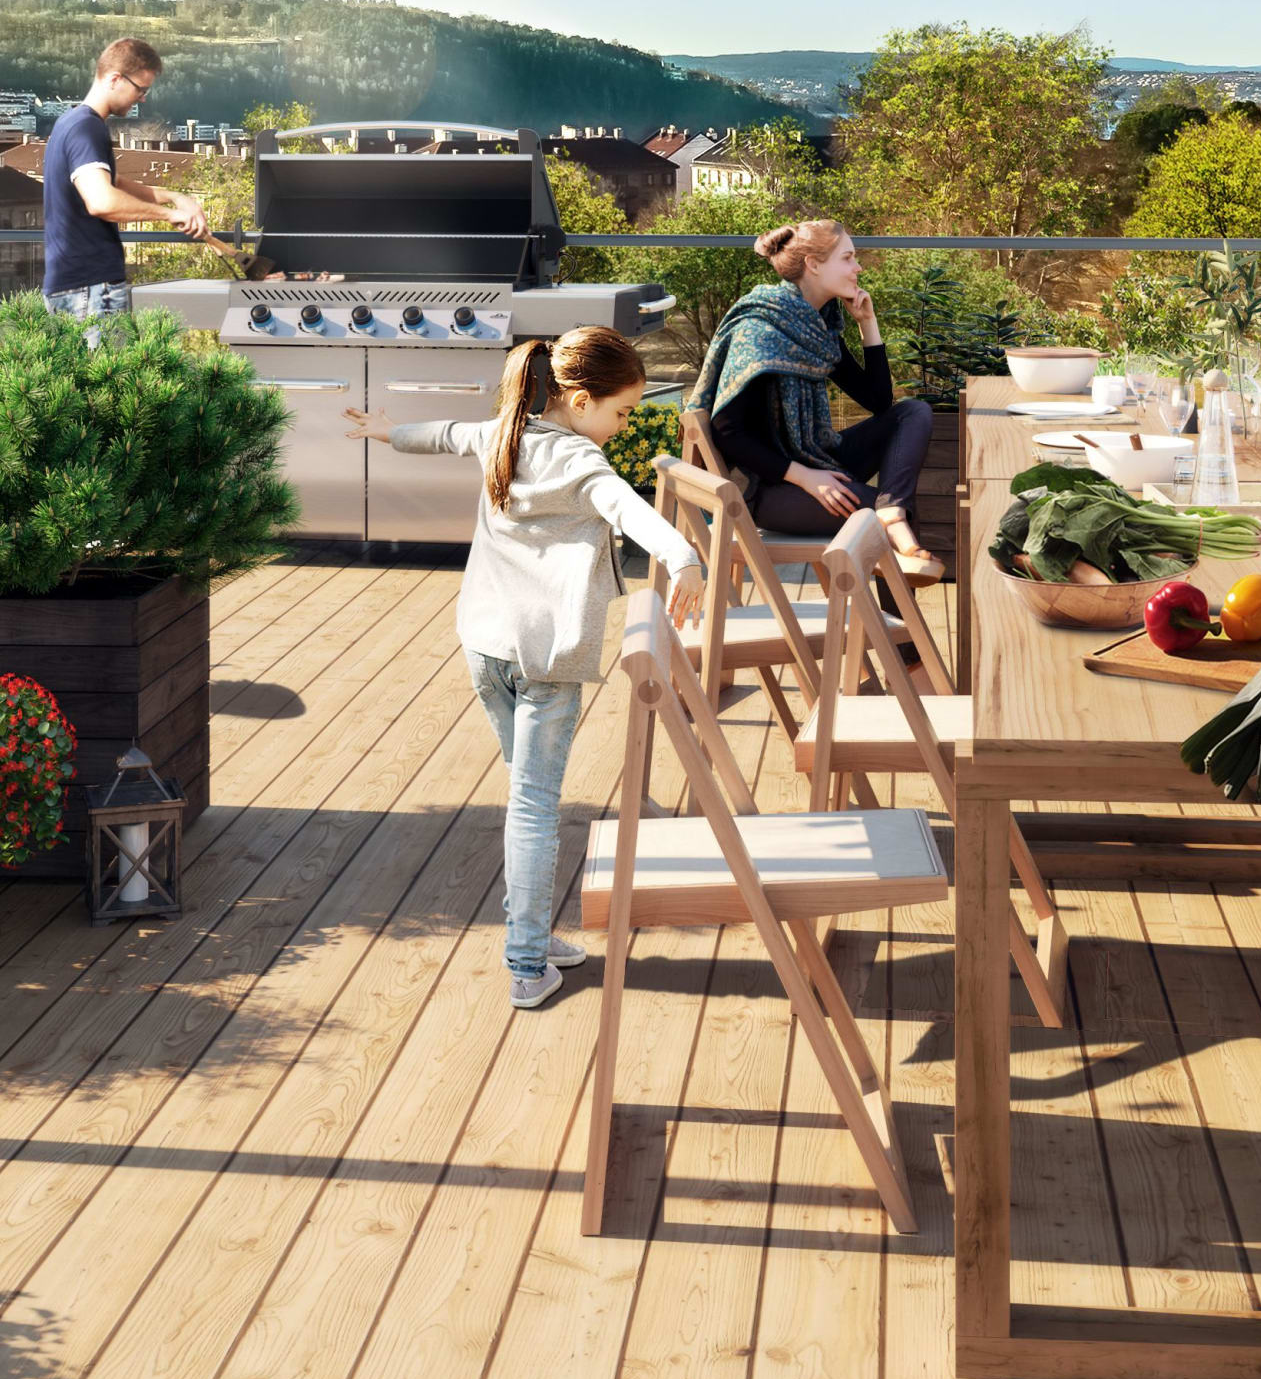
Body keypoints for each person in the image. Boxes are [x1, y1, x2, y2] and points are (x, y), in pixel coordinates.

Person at [387, 326, 703, 1009]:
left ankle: (533, 932)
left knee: (527, 792)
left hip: (484, 647)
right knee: (533, 805)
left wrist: (382, 432)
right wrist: (685, 560)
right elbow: (631, 513)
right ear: (581, 400)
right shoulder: (582, 465)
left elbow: (440, 433)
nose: (620, 427)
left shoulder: (503, 432)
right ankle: (528, 963)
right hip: (546, 663)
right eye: (620, 412)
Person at [689, 218, 941, 579]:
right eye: (848, 258)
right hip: (767, 488)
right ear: (814, 264)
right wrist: (806, 477)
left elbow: (878, 401)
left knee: (912, 413)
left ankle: (892, 512)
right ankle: (896, 628)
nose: (858, 268)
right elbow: (728, 432)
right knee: (880, 517)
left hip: (816, 457)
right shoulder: (761, 330)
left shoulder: (816, 325)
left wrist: (867, 325)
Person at [42, 37, 204, 322]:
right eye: (140, 89)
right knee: (112, 368)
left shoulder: (69, 123)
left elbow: (112, 183)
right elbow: (102, 201)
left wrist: (175, 197)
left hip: (72, 285)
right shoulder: (86, 128)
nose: (142, 98)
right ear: (115, 79)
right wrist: (169, 215)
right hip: (90, 288)